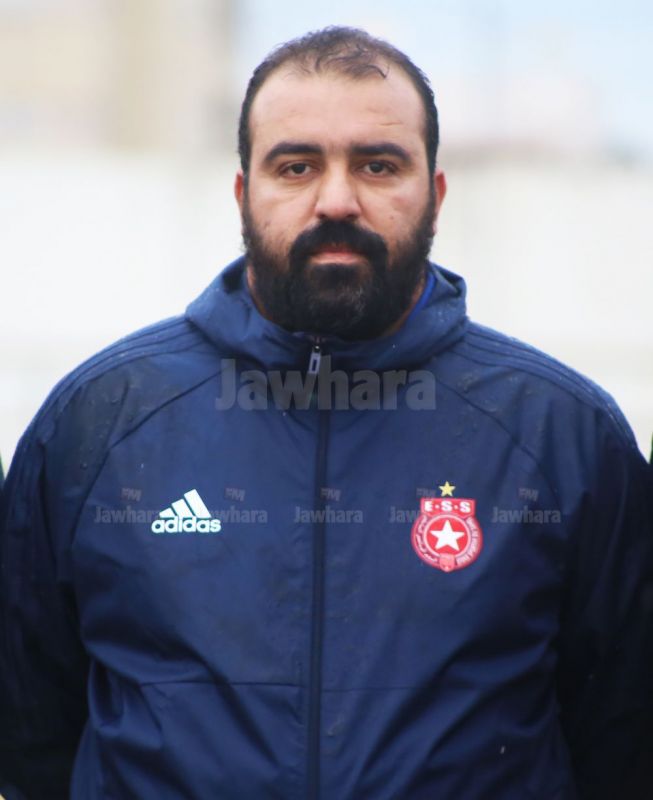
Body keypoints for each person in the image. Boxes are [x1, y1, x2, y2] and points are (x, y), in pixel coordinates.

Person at [1, 26, 652, 800]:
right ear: (243, 194)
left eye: (378, 165)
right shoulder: (98, 422)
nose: (336, 199)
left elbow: (621, 743)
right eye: (296, 165)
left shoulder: (561, 435)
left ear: (436, 195)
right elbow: (31, 736)